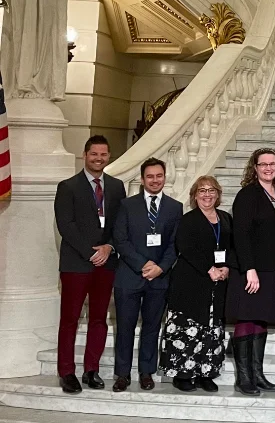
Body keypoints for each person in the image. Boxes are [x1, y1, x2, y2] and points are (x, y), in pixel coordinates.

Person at [53, 135, 126, 394]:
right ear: (85, 155)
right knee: (70, 319)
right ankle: (66, 371)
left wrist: (108, 248)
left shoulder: (117, 187)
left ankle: (91, 370)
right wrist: (90, 252)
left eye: (104, 154)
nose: (99, 158)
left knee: (99, 318)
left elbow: (120, 224)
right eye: (94, 154)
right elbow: (66, 225)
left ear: (109, 156)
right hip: (76, 264)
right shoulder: (68, 186)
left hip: (106, 263)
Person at [111, 158, 183, 392]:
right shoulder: (126, 205)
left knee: (152, 328)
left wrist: (161, 267)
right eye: (150, 176)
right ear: (142, 180)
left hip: (159, 279)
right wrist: (144, 265)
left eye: (159, 176)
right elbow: (120, 240)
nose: (155, 180)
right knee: (125, 327)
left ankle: (146, 372)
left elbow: (175, 243)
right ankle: (122, 374)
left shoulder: (175, 207)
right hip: (130, 276)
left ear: (165, 177)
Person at [160, 175, 233, 392]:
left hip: (217, 284)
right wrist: (209, 269)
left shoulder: (225, 218)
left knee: (211, 330)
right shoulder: (188, 219)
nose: (207, 194)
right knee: (187, 329)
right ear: (194, 195)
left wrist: (227, 267)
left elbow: (233, 246)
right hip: (191, 283)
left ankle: (206, 373)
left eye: (211, 190)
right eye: (202, 190)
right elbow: (185, 247)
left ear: (218, 194)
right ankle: (182, 374)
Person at [226, 147, 275, 396]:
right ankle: (244, 378)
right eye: (263, 164)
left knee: (260, 317)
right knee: (247, 317)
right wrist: (249, 269)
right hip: (252, 269)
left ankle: (258, 373)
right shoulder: (247, 195)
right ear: (255, 168)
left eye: (272, 164)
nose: (268, 168)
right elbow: (241, 235)